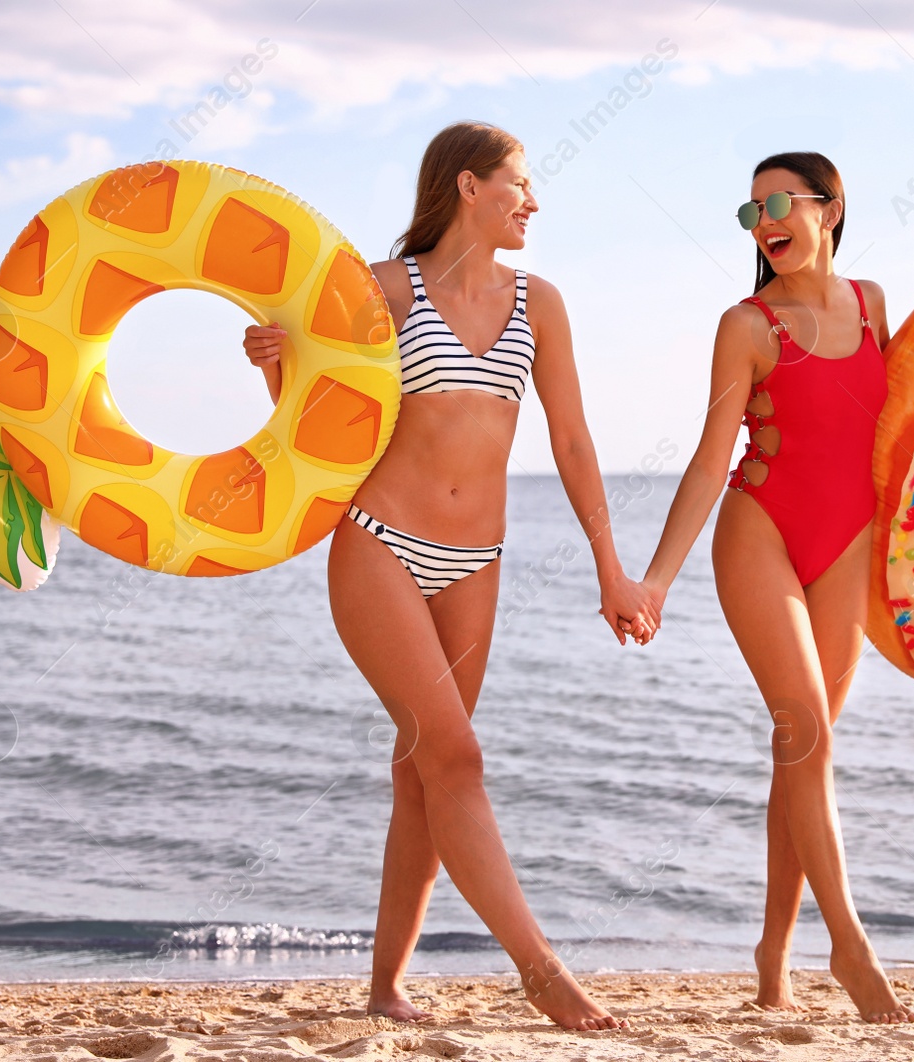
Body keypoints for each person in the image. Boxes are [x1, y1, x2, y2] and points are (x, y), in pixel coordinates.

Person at [243, 121, 655, 1030]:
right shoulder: (385, 289)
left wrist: (611, 570)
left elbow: (574, 441)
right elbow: (318, 418)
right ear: (467, 187)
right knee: (457, 756)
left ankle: (386, 988)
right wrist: (275, 366)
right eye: (520, 183)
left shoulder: (539, 302)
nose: (533, 202)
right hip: (379, 541)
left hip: (478, 560)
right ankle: (541, 970)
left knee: (422, 773)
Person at [637, 152, 914, 1023]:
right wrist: (654, 581)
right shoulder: (747, 325)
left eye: (779, 202)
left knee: (803, 749)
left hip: (849, 542)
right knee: (806, 730)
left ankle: (773, 959)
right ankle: (851, 949)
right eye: (752, 210)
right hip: (759, 528)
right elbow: (710, 454)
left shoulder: (873, 306)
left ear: (829, 210)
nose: (764, 222)